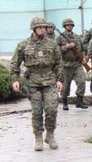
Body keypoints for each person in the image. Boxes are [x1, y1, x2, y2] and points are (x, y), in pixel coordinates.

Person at [10, 17, 63, 151]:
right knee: (37, 111)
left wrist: (59, 80)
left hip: (49, 80)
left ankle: (50, 135)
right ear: (33, 29)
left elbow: (59, 63)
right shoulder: (23, 45)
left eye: (44, 27)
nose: (42, 29)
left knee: (52, 109)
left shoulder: (52, 44)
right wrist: (15, 79)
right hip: (32, 82)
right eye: (39, 27)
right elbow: (14, 64)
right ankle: (38, 137)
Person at [56, 18, 88, 110]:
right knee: (65, 85)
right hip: (65, 65)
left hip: (77, 64)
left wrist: (84, 58)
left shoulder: (77, 37)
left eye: (71, 25)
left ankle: (79, 101)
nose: (69, 26)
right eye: (68, 25)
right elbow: (55, 50)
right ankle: (65, 102)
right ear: (64, 26)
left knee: (82, 81)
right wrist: (66, 47)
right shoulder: (60, 38)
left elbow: (82, 50)